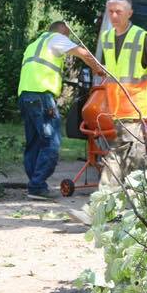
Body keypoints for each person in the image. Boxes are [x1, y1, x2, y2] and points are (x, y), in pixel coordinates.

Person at [18, 21, 97, 200]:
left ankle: (34, 185)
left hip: (25, 96)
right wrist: (100, 70)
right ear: (63, 31)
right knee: (51, 142)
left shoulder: (33, 45)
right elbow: (82, 53)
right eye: (67, 35)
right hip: (41, 97)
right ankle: (37, 186)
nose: (67, 39)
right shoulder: (56, 39)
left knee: (34, 143)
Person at [97, 0, 147, 187]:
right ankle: (134, 204)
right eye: (110, 11)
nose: (113, 16)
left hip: (135, 108)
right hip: (117, 110)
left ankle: (101, 201)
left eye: (118, 11)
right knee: (134, 159)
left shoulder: (141, 37)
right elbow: (109, 73)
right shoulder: (107, 38)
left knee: (119, 152)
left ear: (129, 13)